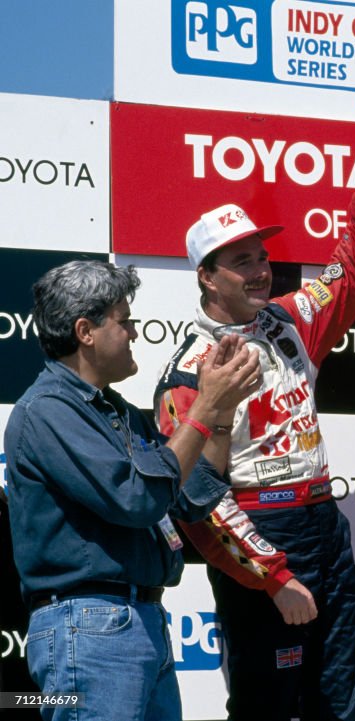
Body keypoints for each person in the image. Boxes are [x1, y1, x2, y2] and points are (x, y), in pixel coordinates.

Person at [153, 137, 355, 720]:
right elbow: (196, 500)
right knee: (268, 704)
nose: (261, 272)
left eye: (261, 257)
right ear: (207, 277)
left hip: (324, 524)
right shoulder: (189, 372)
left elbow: (352, 271)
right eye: (242, 262)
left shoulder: (287, 318)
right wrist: (271, 575)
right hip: (262, 531)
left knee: (340, 696)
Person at [5, 260, 258, 721]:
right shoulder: (46, 410)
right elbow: (137, 499)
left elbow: (191, 497)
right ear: (86, 331)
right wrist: (203, 405)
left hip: (140, 621)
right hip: (89, 626)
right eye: (125, 322)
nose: (136, 333)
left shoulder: (118, 412)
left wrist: (220, 414)